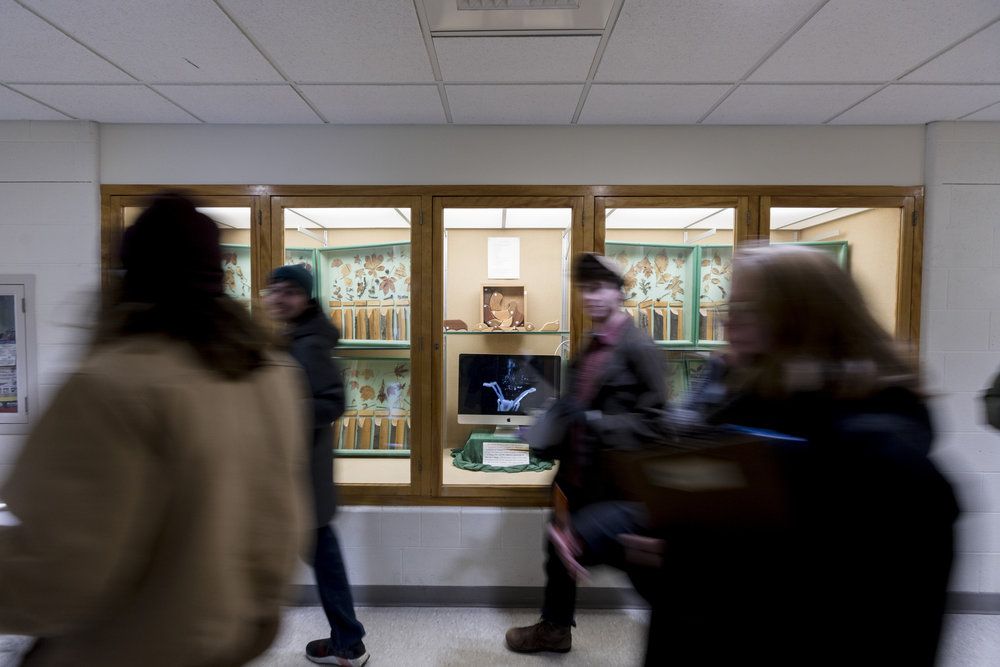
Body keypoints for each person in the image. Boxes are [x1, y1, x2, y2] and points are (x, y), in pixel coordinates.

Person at [0, 195, 310, 666]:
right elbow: (282, 532)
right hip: (228, 644)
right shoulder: (271, 375)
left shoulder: (110, 386)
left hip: (126, 649)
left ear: (127, 276)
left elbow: (58, 575)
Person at [644, 244, 959, 666]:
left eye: (748, 310)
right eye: (730, 307)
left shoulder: (884, 454)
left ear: (803, 319)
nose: (728, 324)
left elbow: (880, 616)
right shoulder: (748, 405)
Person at [505, 252, 668, 655]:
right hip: (575, 473)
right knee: (557, 549)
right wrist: (545, 431)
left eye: (599, 288)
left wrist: (596, 420)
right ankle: (555, 629)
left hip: (613, 481)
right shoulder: (590, 343)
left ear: (618, 292)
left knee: (639, 570)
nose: (591, 298)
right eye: (585, 290)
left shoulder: (639, 347)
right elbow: (573, 405)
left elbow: (657, 423)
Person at [263, 264, 369, 667]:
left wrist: (280, 409)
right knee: (324, 558)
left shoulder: (308, 345)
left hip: (304, 474)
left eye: (289, 292)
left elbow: (332, 402)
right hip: (297, 469)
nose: (279, 299)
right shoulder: (295, 338)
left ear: (305, 297)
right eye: (274, 291)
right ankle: (346, 638)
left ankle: (349, 642)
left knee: (325, 559)